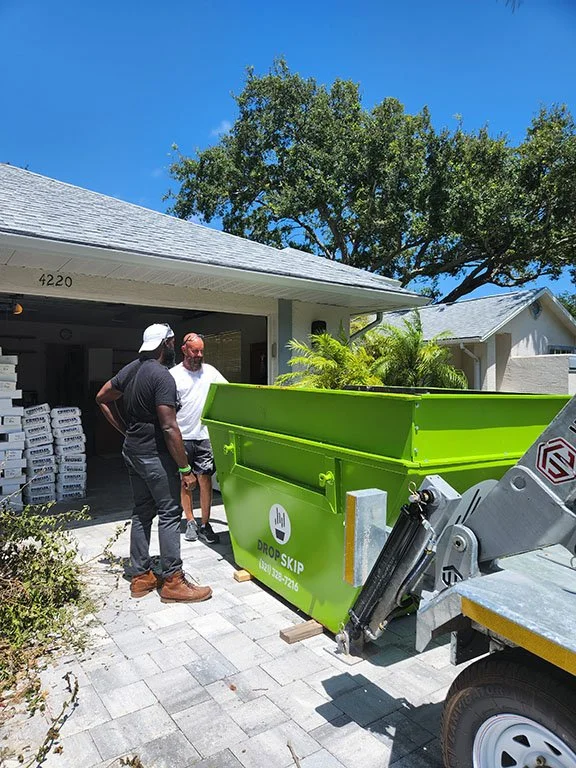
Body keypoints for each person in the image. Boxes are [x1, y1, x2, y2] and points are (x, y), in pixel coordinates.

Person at [96, 323, 212, 603]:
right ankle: (173, 581)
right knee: (170, 513)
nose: (173, 346)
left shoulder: (132, 368)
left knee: (142, 511)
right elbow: (170, 427)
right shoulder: (162, 376)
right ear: (166, 345)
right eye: (171, 342)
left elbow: (102, 397)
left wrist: (126, 430)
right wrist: (185, 469)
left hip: (133, 452)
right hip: (154, 456)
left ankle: (140, 577)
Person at [170, 332, 227, 544]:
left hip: (204, 436)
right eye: (195, 351)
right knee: (186, 481)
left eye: (202, 351)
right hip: (182, 437)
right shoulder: (173, 375)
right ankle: (190, 521)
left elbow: (228, 392)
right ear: (184, 350)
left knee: (205, 480)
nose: (199, 355)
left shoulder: (210, 372)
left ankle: (205, 523)